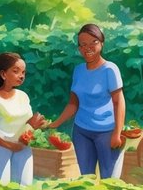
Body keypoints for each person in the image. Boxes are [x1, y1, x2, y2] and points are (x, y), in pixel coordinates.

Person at [47, 24, 126, 179]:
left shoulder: (110, 69)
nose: (88, 48)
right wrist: (55, 123)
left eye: (93, 43)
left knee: (109, 180)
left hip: (106, 131)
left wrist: (117, 133)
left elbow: (119, 102)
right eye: (83, 45)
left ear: (101, 43)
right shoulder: (79, 70)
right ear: (79, 48)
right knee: (86, 179)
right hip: (81, 131)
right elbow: (73, 103)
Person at [0, 52, 47, 185]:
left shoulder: (23, 96)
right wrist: (7, 144)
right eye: (16, 71)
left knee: (25, 185)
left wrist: (36, 124)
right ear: (3, 74)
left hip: (22, 145)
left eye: (23, 72)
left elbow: (27, 122)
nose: (21, 76)